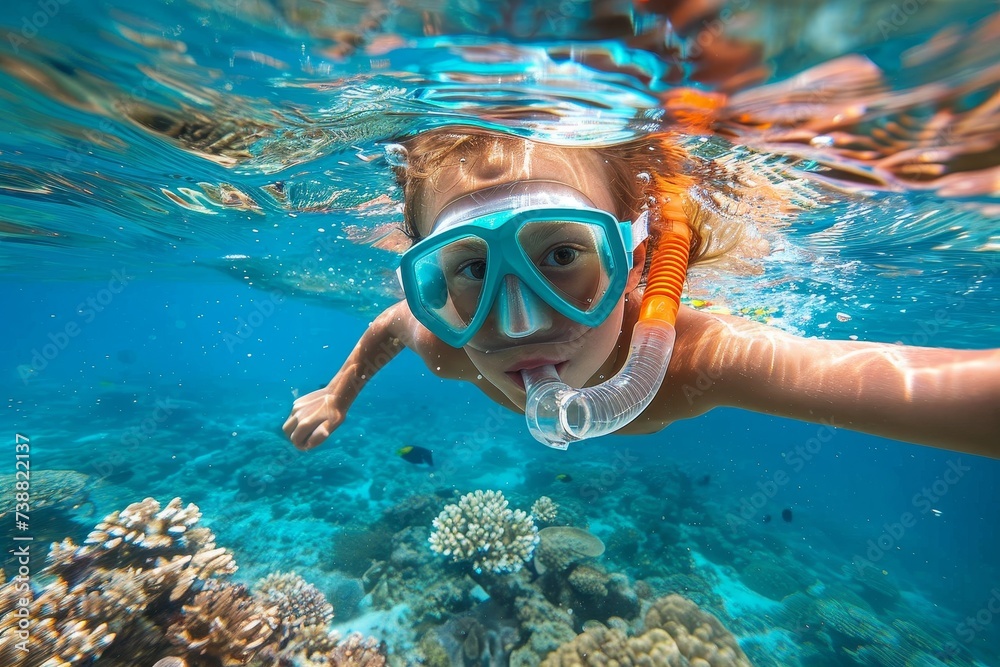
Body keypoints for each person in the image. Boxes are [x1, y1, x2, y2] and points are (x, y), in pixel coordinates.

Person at [283, 126, 1000, 459]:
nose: (520, 319)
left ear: (635, 260)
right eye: (469, 269)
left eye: (562, 254)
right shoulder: (447, 339)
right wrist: (337, 391)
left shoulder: (693, 362)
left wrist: (341, 393)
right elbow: (390, 323)